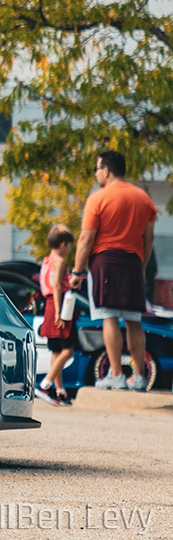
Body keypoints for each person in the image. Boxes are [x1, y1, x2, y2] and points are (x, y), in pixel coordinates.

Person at [71, 150, 157, 391]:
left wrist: (77, 272)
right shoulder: (143, 198)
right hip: (133, 262)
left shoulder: (97, 198)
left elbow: (86, 239)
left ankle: (116, 374)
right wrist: (140, 266)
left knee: (109, 318)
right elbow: (148, 239)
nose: (96, 174)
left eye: (97, 169)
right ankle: (139, 377)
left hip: (105, 261)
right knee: (133, 321)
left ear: (106, 170)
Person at [35, 225, 77, 406]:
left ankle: (60, 391)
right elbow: (58, 286)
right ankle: (46, 384)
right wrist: (60, 312)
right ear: (62, 244)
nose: (69, 249)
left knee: (56, 349)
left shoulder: (46, 261)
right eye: (68, 246)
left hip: (49, 305)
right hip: (60, 305)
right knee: (68, 349)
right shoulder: (59, 262)